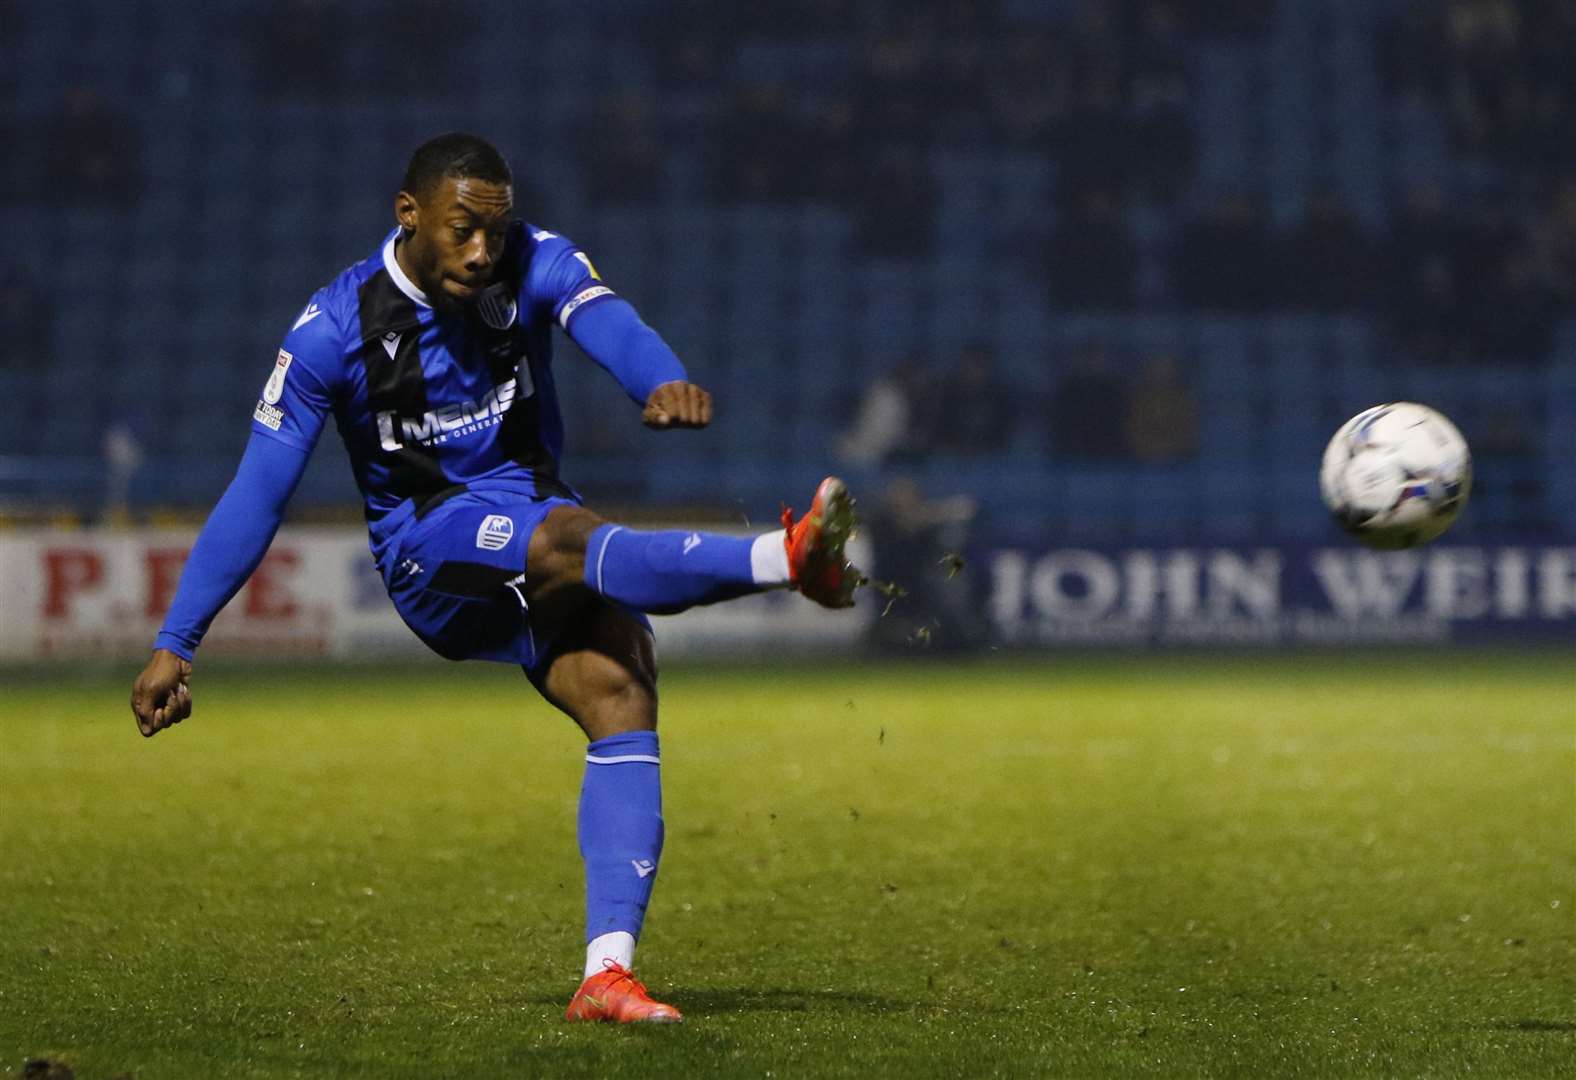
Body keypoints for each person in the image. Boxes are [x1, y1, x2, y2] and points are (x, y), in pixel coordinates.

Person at [128, 133, 862, 1025]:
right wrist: (177, 639)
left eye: (494, 229)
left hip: (534, 511)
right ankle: (788, 561)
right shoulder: (331, 330)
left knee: (621, 683)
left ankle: (607, 975)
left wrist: (660, 377)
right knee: (568, 539)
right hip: (429, 552)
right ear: (411, 216)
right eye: (462, 229)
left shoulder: (531, 258)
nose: (482, 250)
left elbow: (603, 316)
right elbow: (258, 491)